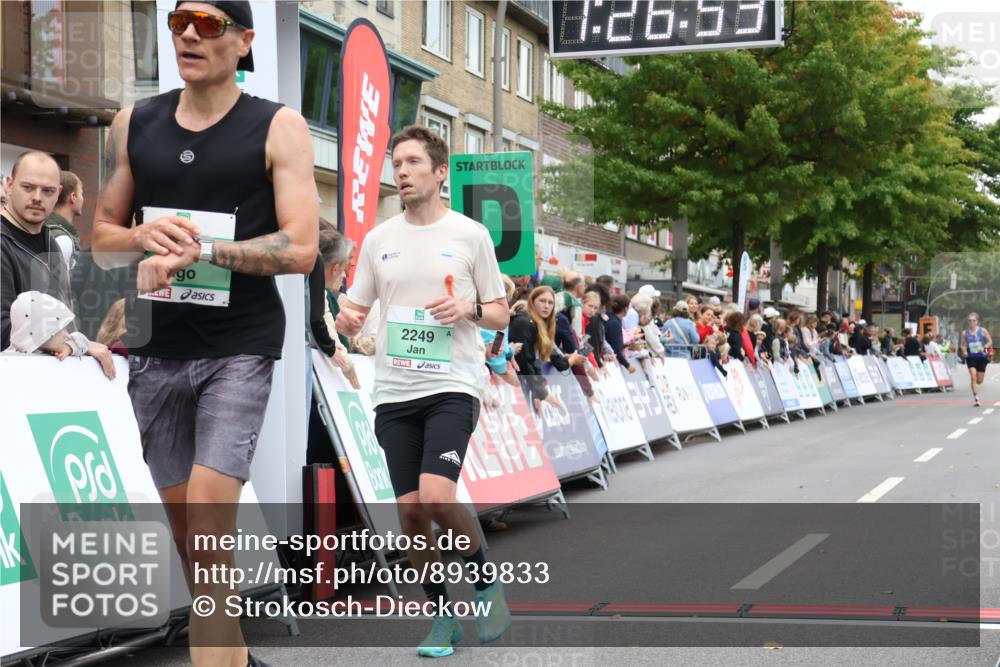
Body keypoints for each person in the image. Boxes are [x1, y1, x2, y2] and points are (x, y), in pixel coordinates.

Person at [90, 4, 319, 666]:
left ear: (245, 42)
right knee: (193, 542)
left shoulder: (278, 126)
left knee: (211, 521)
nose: (190, 33)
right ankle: (238, 660)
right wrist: (139, 237)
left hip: (239, 345)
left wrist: (209, 250)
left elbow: (302, 247)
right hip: (156, 345)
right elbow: (103, 241)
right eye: (181, 20)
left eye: (210, 24)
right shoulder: (135, 122)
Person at [335, 124, 512, 657]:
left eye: (413, 162)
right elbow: (357, 311)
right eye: (396, 162)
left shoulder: (470, 235)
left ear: (440, 173)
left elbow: (501, 310)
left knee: (437, 497)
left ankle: (485, 586)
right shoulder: (379, 240)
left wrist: (468, 310)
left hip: (453, 384)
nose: (402, 171)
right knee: (411, 515)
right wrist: (345, 320)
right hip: (393, 391)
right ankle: (442, 617)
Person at [2, 151, 74, 350]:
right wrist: (70, 343)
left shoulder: (52, 245)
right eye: (27, 187)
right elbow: (4, 329)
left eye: (48, 191)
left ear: (59, 193)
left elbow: (66, 317)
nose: (37, 197)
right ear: (9, 184)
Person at [5, 291, 116, 379]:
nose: (67, 335)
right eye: (59, 329)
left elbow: (79, 339)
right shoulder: (8, 362)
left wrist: (70, 347)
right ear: (42, 333)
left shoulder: (49, 349)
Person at [512, 285, 585, 407]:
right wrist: (541, 392)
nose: (546, 306)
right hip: (513, 383)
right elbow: (525, 361)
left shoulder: (541, 325)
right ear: (532, 302)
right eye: (542, 301)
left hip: (524, 383)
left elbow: (536, 361)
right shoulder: (524, 322)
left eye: (550, 303)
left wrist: (538, 390)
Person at [45, 170, 84, 271]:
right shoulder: (62, 239)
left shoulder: (43, 227)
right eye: (81, 193)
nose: (83, 198)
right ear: (73, 197)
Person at [959, 312, 993, 407]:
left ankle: (978, 383)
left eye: (973, 320)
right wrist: (964, 351)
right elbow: (962, 344)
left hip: (982, 357)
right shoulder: (965, 333)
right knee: (973, 376)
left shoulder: (982, 331)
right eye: (969, 320)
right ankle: (976, 398)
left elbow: (990, 341)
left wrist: (984, 347)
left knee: (979, 381)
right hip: (971, 357)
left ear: (977, 321)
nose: (971, 322)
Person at [604, 293, 636, 371]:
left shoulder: (608, 318)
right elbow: (615, 349)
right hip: (608, 361)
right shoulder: (615, 323)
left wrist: (624, 345)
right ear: (625, 309)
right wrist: (628, 365)